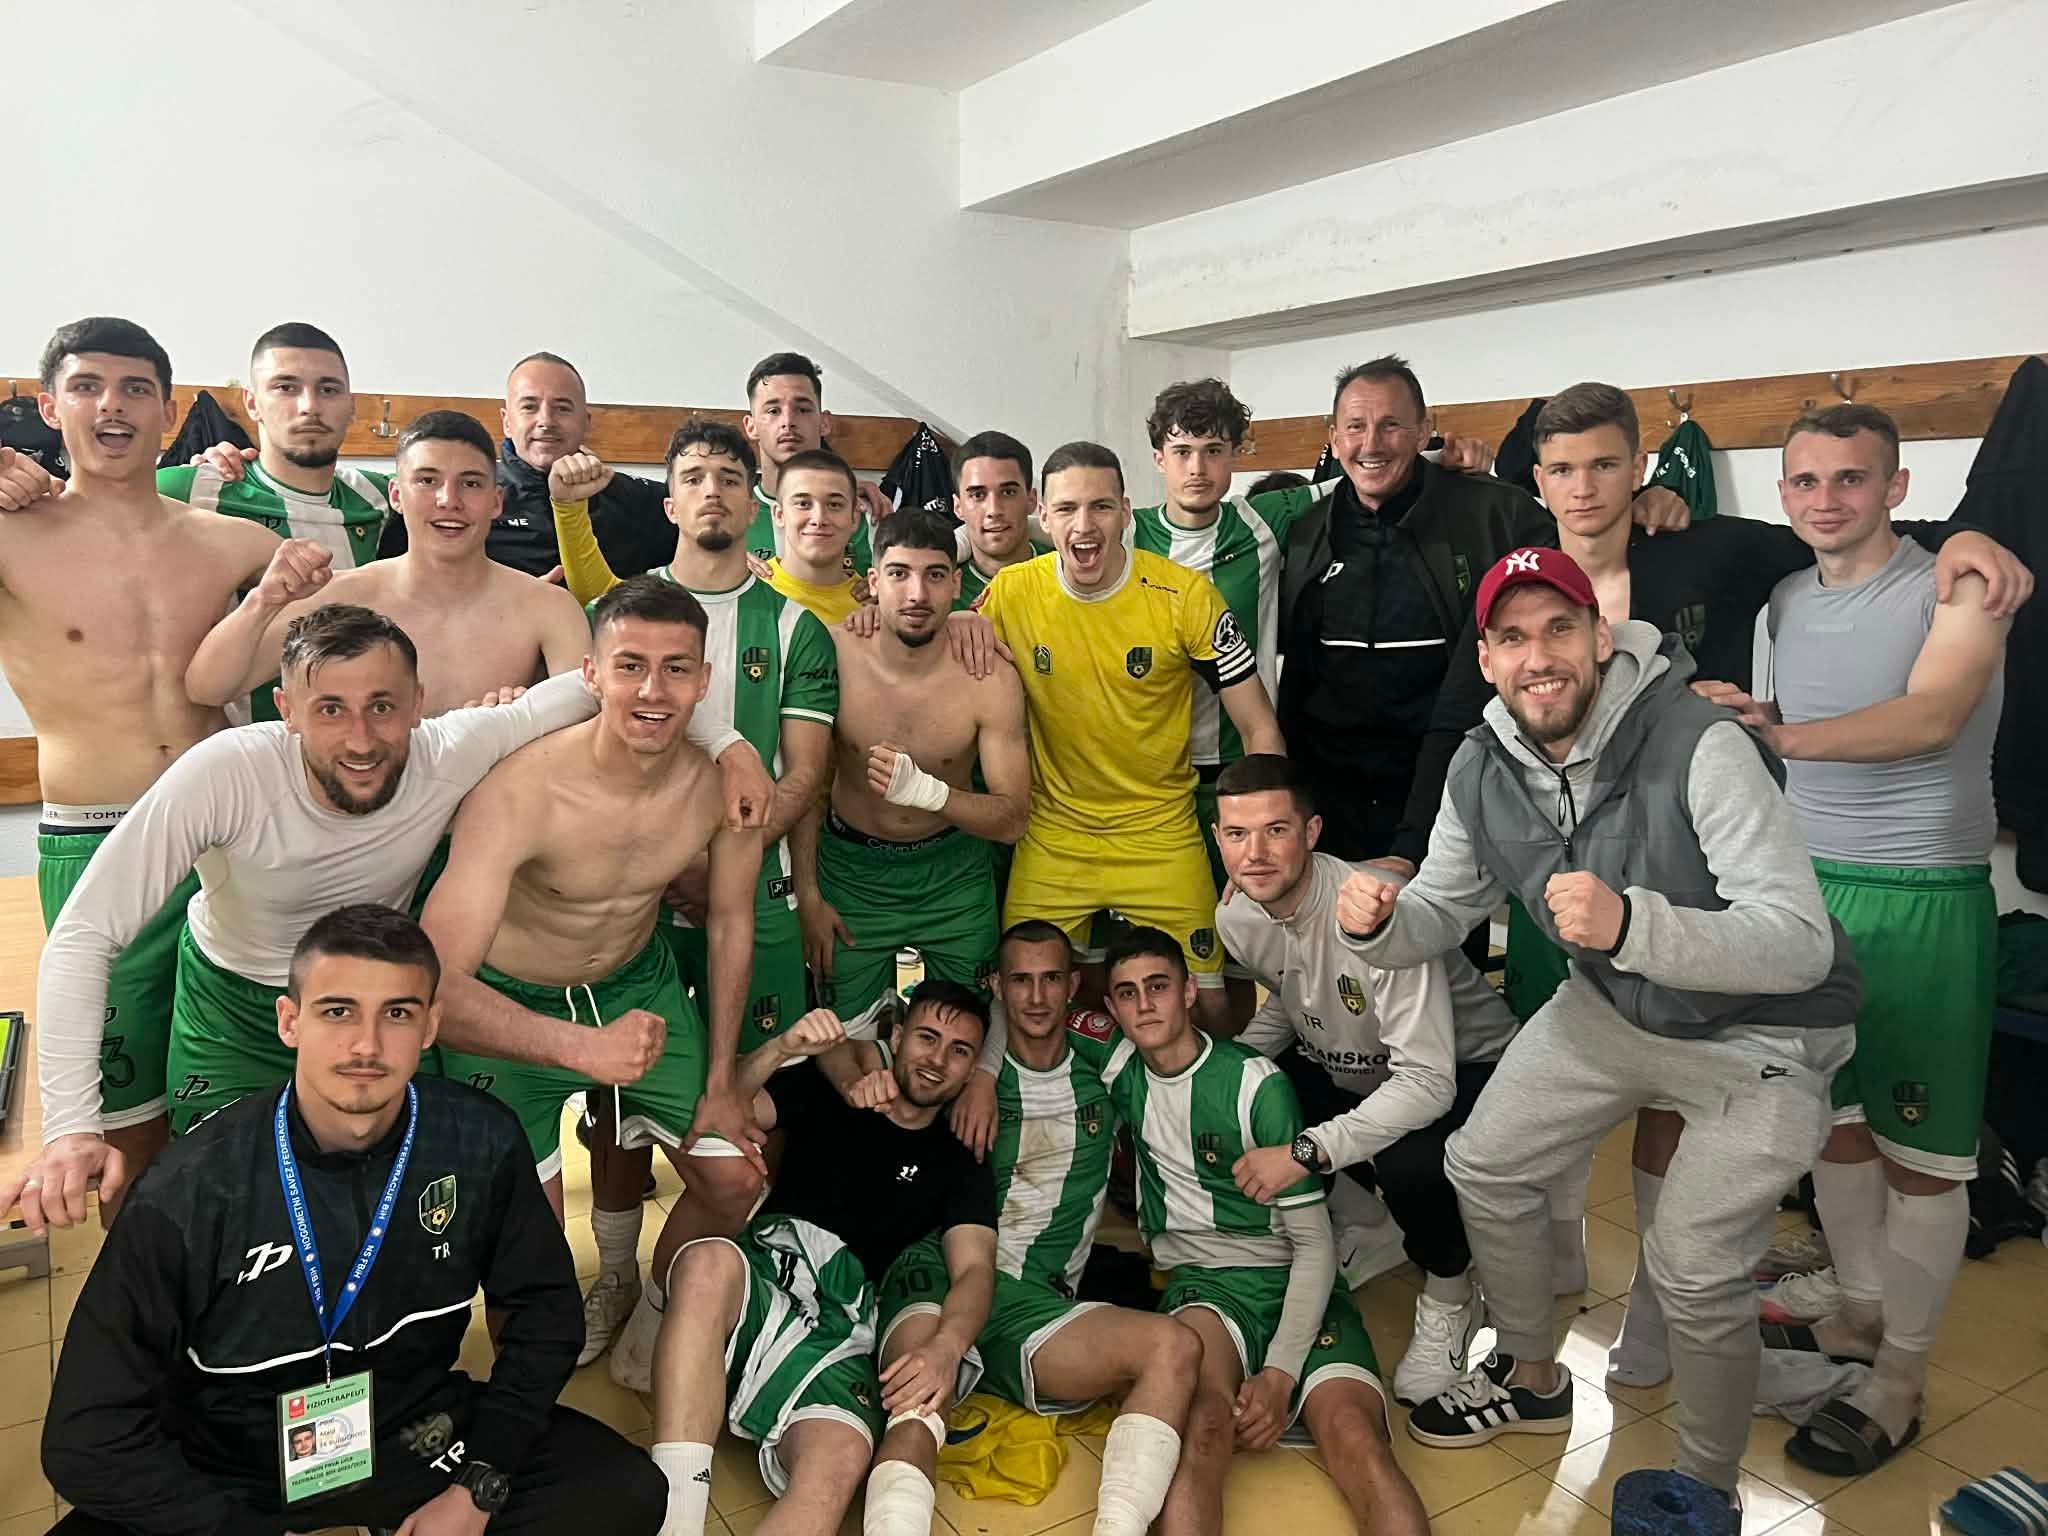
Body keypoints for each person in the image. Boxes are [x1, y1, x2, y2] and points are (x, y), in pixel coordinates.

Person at [1413, 385, 2032, 1392]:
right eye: (1561, 468)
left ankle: (1773, 1346)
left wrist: (1965, 536)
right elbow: (1460, 722)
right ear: (1539, 482)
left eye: (1604, 464)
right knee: (1798, 1122)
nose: (1583, 486)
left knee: (1870, 1137)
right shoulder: (1533, 584)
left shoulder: (1707, 554)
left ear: (1639, 470)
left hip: (1794, 889)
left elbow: (1863, 568)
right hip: (1626, 878)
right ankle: (1597, 1280)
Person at [1333, 546, 1861, 1526]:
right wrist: (1379, 924)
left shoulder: (1698, 740)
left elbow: (1797, 943)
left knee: (1691, 1265)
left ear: (1599, 637)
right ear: (1486, 659)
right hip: (1613, 1007)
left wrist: (1630, 926)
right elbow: (1441, 910)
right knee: (1483, 1164)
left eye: (1558, 630)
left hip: (1763, 1032)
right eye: (1512, 637)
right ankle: (1531, 1376)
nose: (1538, 657)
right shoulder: (1480, 762)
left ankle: (1703, 1488)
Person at [8, 603, 767, 1229]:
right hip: (239, 1012)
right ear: (286, 711)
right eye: (330, 709)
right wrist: (70, 1127)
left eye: (382, 707)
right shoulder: (225, 774)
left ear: (417, 703)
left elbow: (618, 686)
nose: (362, 739)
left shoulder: (450, 749)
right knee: (231, 1214)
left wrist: (731, 747)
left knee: (382, 1213)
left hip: (376, 1005)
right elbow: (83, 934)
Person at [40, 904, 666, 1535]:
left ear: (430, 1026)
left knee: (623, 1492)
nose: (366, 1045)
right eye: (338, 1011)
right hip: (229, 1462)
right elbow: (84, 1435)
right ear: (290, 1021)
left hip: (411, 1433)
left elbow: (546, 1316)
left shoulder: (479, 1141)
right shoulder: (192, 1185)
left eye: (397, 1014)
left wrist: (478, 1487)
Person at [1702, 405, 2007, 1475]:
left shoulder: (1957, 587)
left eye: (1849, 478)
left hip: (1923, 896)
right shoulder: (1785, 598)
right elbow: (1786, 723)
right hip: (1807, 892)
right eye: (1804, 481)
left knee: (1921, 1158)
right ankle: (1861, 1315)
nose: (1824, 499)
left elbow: (1931, 716)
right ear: (1781, 492)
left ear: (1895, 485)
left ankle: (1899, 1381)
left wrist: (1781, 733)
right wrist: (1743, 716)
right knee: (1828, 1122)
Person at [546, 418, 840, 1361]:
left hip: (755, 897)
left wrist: (724, 866)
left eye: (730, 477)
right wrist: (670, 865)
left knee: (752, 1100)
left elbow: (805, 772)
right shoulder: (628, 611)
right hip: (635, 900)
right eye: (694, 476)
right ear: (669, 501)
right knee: (619, 1102)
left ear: (755, 503)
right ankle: (617, 1272)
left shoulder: (795, 625)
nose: (713, 490)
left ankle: (704, 1287)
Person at [0, 317, 280, 1195]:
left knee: (241, 1097)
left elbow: (368, 608)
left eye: (135, 389)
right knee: (125, 1129)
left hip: (221, 843)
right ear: (50, 408)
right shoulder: (12, 536)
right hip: (96, 835)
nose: (111, 406)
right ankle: (143, 1277)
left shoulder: (231, 541)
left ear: (168, 410)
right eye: (86, 387)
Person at [419, 579, 769, 1269]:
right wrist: (583, 1047)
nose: (652, 691)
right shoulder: (520, 789)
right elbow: (437, 984)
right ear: (591, 675)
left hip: (636, 984)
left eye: (675, 669)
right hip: (509, 997)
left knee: (736, 1183)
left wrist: (722, 1079)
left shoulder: (723, 785)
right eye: (630, 666)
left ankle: (655, 1309)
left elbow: (731, 922)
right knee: (528, 1249)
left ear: (703, 682)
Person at [859, 919, 1203, 1536]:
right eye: (1020, 981)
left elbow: (1180, 1066)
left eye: (1051, 980)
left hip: (1033, 1309)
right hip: (943, 1273)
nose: (1037, 997)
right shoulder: (961, 1069)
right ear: (997, 986)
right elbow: (869, 1056)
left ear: (1074, 985)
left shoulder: (1107, 1069)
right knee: (916, 1402)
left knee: (1174, 1348)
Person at [1279, 356, 1688, 870]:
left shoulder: (1494, 512)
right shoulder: (1304, 530)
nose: (1372, 443)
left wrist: (1644, 498)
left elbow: (1581, 530)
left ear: (1424, 431)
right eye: (1356, 427)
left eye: (1391, 425)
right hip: (1327, 802)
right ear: (1335, 438)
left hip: (1452, 792)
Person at [1211, 753, 1524, 1405]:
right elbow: (1297, 1000)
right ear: (1218, 838)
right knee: (1241, 1093)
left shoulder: (1374, 909)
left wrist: (1304, 1152)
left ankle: (1451, 1291)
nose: (1255, 854)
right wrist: (1222, 1075)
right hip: (1360, 1066)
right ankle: (1371, 1224)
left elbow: (1428, 1083)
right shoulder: (1237, 916)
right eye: (1237, 834)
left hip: (1474, 1069)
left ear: (1312, 831)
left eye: (1275, 830)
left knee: (1409, 1161)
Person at [1097, 927, 1427, 1536]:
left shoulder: (1255, 1084)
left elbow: (1314, 1245)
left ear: (1189, 992)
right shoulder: (1118, 1068)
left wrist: (1279, 1374)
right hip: (1206, 1285)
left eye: (1158, 986)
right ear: (1111, 1007)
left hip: (1294, 1274)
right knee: (1201, 1429)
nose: (1144, 1005)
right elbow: (1025, 1013)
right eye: (1127, 993)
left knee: (1357, 1438)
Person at [639, 984, 997, 1536]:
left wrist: (948, 1347)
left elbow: (975, 1268)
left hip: (842, 1324)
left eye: (959, 1050)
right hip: (764, 1275)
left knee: (841, 1462)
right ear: (897, 1036)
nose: (937, 1059)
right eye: (927, 1038)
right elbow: (714, 1115)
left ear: (972, 1069)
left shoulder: (959, 1157)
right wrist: (780, 1049)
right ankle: (675, 1522)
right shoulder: (827, 1089)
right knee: (707, 1262)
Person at [980, 440, 1282, 1035]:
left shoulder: (1185, 594)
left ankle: (1226, 1090)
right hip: (1054, 835)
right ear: (1043, 515)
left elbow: (1258, 725)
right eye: (1066, 509)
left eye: (1100, 507)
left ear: (1125, 510)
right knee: (1024, 999)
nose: (1084, 525)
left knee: (1211, 1002)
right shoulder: (1011, 593)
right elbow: (934, 654)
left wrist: (1259, 842)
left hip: (1159, 833)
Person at [1133, 380, 1333, 1026]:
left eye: (1213, 450)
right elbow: (1029, 526)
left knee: (1238, 949)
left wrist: (1452, 457)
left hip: (1239, 773)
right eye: (1182, 451)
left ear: (1237, 455)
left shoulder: (1264, 520)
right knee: (1148, 949)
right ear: (1158, 458)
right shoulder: (1126, 533)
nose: (1197, 468)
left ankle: (1238, 1067)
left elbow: (1359, 478)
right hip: (1150, 781)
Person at [184, 410, 592, 716]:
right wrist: (263, 602)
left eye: (470, 483)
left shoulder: (547, 608)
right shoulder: (342, 596)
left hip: (495, 800)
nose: (448, 500)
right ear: (396, 495)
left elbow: (583, 733)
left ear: (496, 501)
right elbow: (208, 688)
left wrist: (521, 726)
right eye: (427, 481)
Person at [798, 507, 1029, 1045]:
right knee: (843, 1037)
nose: (917, 594)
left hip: (953, 872)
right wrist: (807, 893)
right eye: (899, 574)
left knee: (965, 1034)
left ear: (956, 584)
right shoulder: (831, 653)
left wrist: (929, 793)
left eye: (935, 575)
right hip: (851, 872)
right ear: (873, 581)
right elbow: (805, 786)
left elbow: (1013, 819)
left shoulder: (988, 675)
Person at [153, 322, 391, 573]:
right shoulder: (185, 489)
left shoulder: (381, 493)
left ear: (351, 407)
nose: (309, 406)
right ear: (252, 403)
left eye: (328, 390)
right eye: (286, 388)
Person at [740, 350, 885, 571]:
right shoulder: (729, 517)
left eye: (802, 409)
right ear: (751, 426)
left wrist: (881, 589)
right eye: (773, 410)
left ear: (824, 422)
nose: (788, 421)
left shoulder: (867, 513)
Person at [763, 447, 870, 624]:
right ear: (779, 515)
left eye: (834, 505)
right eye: (803, 504)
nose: (819, 519)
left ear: (854, 517)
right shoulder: (749, 592)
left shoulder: (876, 606)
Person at [950, 430, 1050, 609]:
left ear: (1031, 500)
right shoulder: (940, 592)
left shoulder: (1070, 572)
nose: (994, 510)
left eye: (1008, 492)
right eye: (978, 495)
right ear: (958, 507)